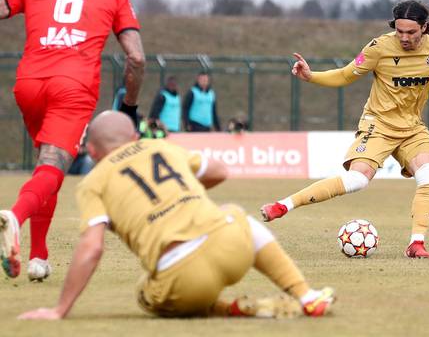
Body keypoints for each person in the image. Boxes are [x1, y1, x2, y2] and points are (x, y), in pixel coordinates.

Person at [17, 111, 334, 320]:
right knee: (236, 214)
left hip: (182, 279)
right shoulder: (164, 148)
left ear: (93, 152)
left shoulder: (92, 183)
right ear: (134, 137)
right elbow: (221, 170)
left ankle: (226, 309)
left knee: (144, 293)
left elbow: (92, 248)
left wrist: (60, 310)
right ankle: (306, 295)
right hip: (230, 246)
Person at [260, 0, 429, 258]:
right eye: (399, 31)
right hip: (377, 124)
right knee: (357, 180)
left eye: (411, 32)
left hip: (412, 127)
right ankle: (283, 206)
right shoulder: (379, 47)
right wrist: (312, 76)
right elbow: (347, 75)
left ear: (424, 28)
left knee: (427, 173)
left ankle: (416, 243)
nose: (404, 37)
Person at [0, 0, 145, 281]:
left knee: (45, 168)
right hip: (73, 87)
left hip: (29, 84)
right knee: (53, 165)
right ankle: (13, 218)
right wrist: (129, 105)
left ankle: (38, 257)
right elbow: (136, 58)